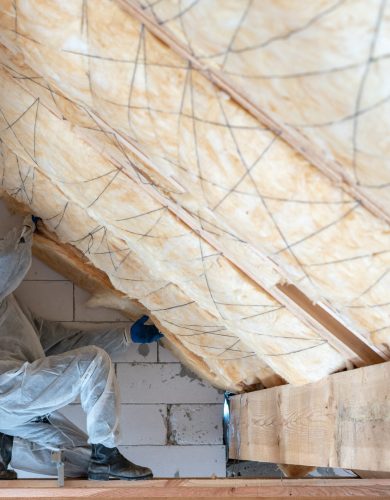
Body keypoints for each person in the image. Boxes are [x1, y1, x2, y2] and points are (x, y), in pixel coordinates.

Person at [0, 215, 163, 480]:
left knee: (81, 463)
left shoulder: (18, 316)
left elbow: (66, 342)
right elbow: (8, 260)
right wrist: (27, 223)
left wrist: (126, 335)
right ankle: (107, 455)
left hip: (16, 411)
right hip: (6, 391)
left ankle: (4, 449)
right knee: (94, 363)